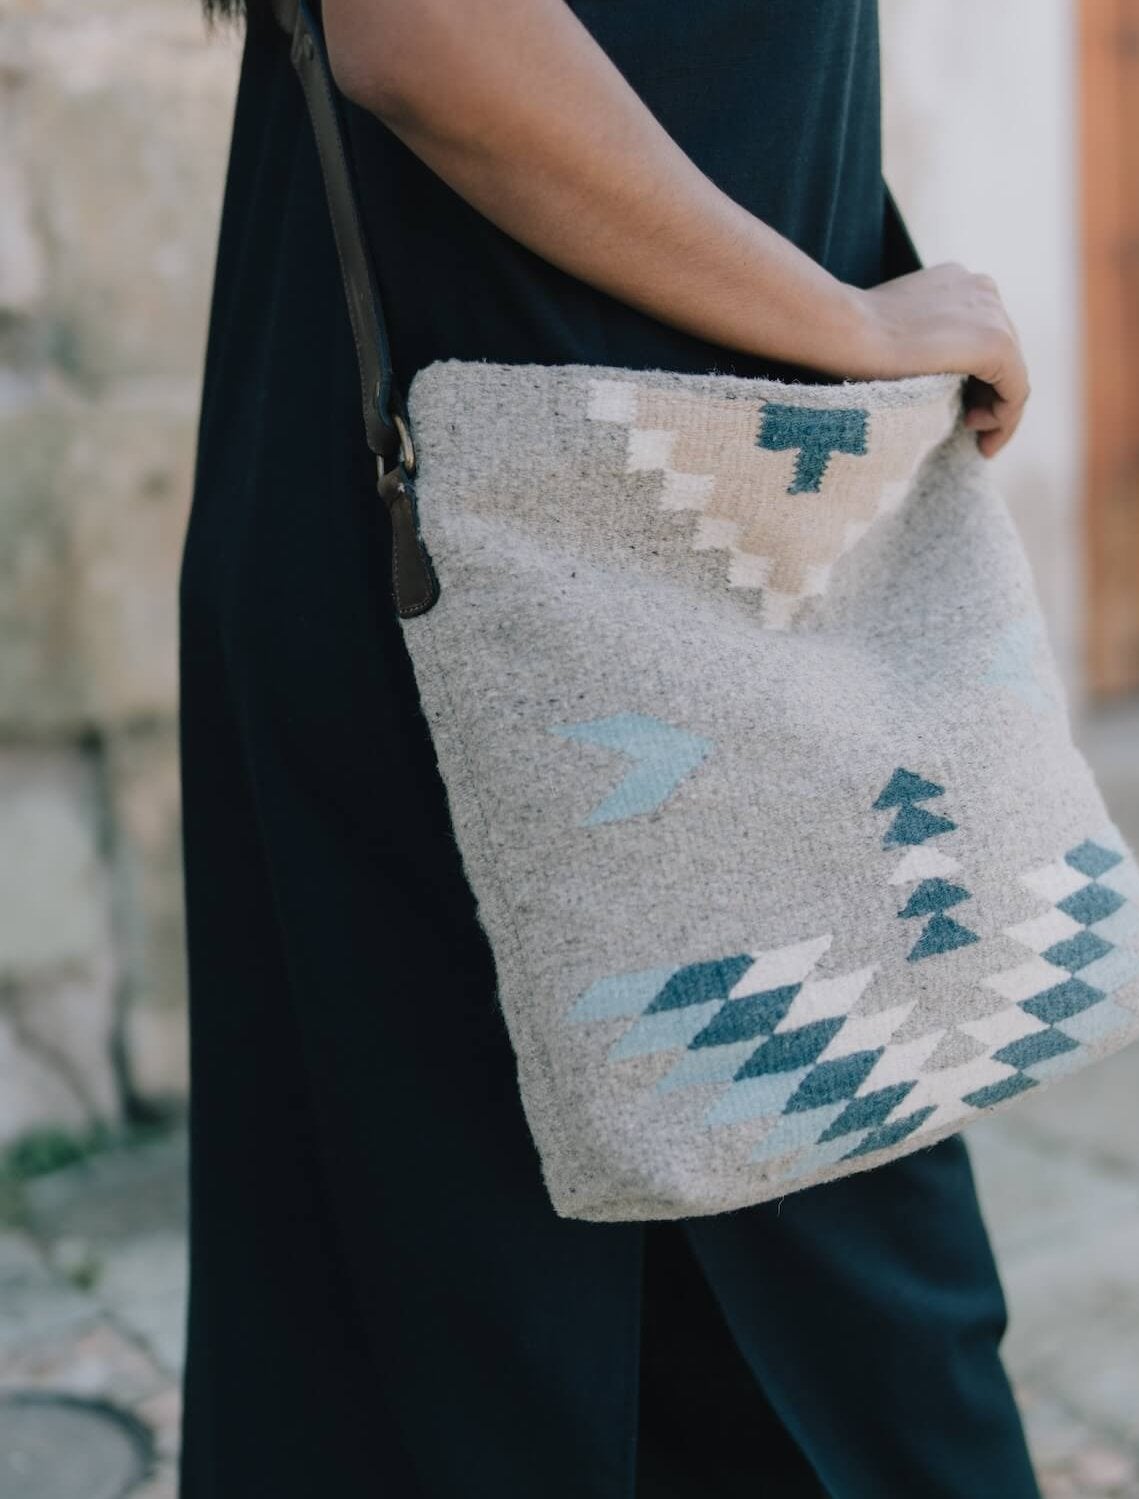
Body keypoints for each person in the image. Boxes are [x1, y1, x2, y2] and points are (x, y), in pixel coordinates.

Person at [180, 0, 1039, 1493]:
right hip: (530, 583)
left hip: (662, 542)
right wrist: (852, 325)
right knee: (565, 1372)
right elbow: (426, 26)